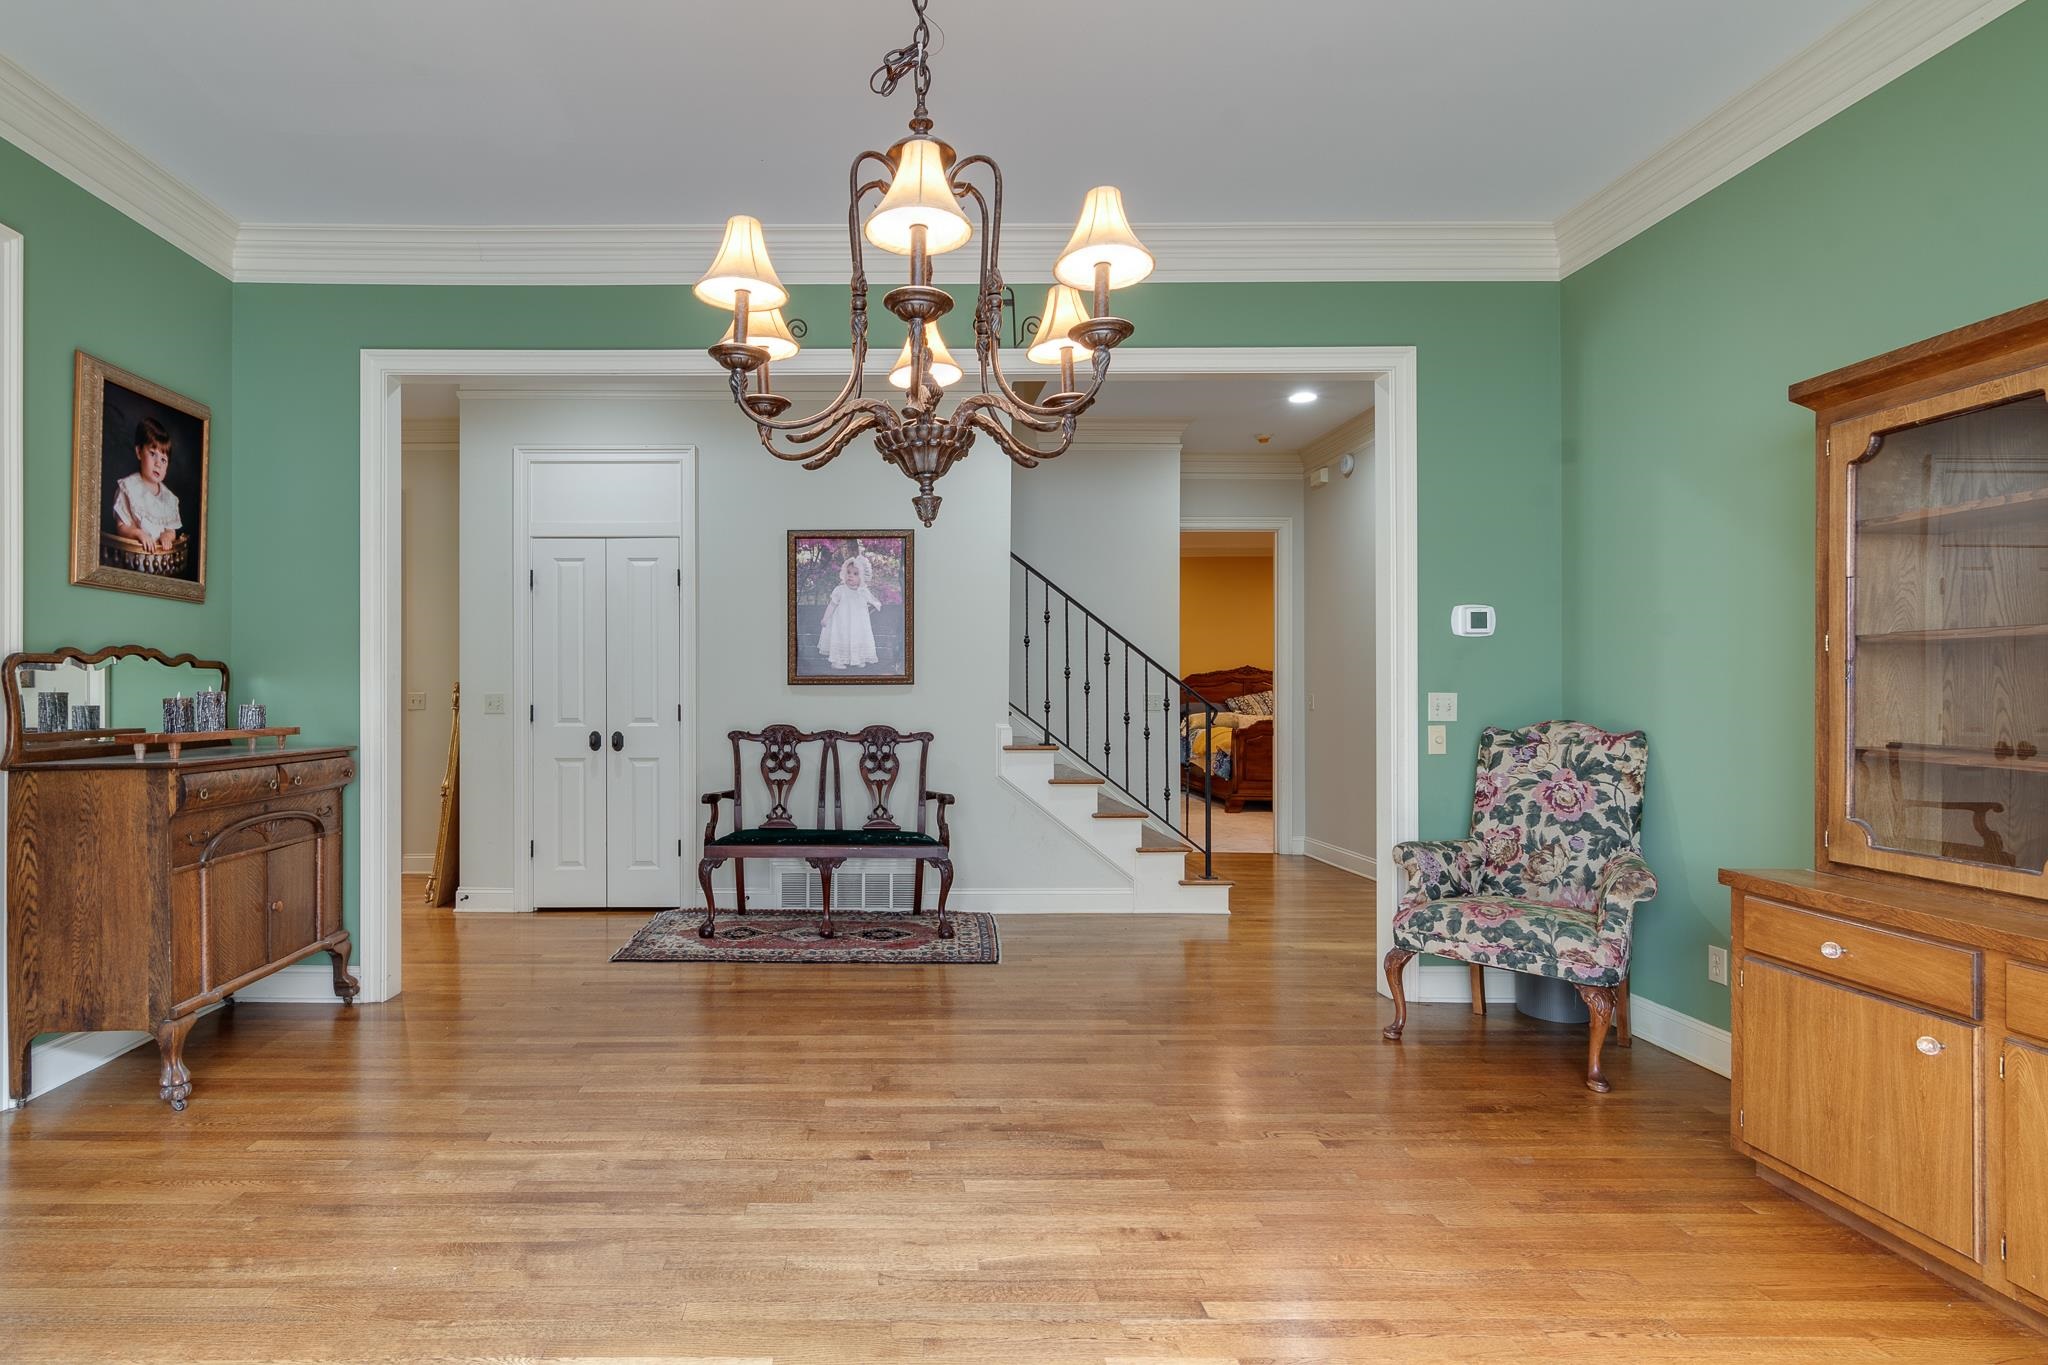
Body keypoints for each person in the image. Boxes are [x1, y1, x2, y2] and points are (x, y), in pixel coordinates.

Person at [111, 416, 181, 552]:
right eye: (152, 454)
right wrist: (138, 533)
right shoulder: (128, 488)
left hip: (160, 561)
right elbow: (121, 526)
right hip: (134, 558)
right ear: (139, 452)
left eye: (163, 460)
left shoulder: (169, 498)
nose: (158, 463)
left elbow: (171, 530)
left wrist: (167, 536)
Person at [817, 553, 881, 669]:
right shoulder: (840, 590)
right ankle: (837, 660)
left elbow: (873, 601)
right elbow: (832, 605)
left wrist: (876, 605)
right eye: (848, 572)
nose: (850, 575)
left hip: (858, 624)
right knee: (842, 638)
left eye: (855, 574)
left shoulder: (862, 591)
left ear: (862, 577)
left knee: (858, 638)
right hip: (842, 623)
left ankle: (859, 658)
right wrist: (825, 618)